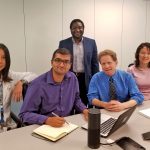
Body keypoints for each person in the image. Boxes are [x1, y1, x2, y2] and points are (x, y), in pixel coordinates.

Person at [19, 48, 88, 127]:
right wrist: (47, 120)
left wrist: (84, 110)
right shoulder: (37, 84)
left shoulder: (73, 78)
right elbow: (24, 115)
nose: (61, 65)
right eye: (58, 60)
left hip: (66, 124)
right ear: (52, 63)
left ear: (70, 65)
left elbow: (76, 99)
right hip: (44, 126)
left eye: (66, 62)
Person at [59, 19, 99, 107]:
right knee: (68, 102)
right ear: (70, 30)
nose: (77, 30)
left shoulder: (91, 43)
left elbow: (95, 63)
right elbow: (60, 62)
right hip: (69, 77)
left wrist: (96, 80)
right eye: (74, 28)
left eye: (80, 27)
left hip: (85, 79)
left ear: (83, 29)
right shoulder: (63, 43)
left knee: (84, 103)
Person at [0, 43, 37, 131]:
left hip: (6, 127)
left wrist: (21, 82)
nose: (0, 61)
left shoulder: (10, 75)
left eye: (3, 57)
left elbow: (34, 75)